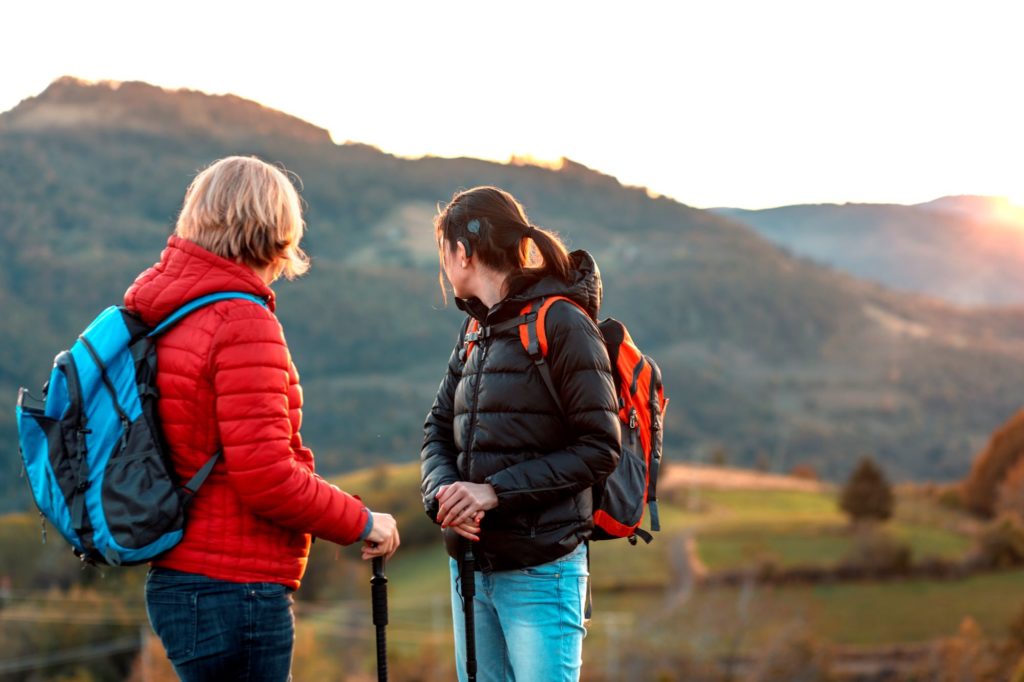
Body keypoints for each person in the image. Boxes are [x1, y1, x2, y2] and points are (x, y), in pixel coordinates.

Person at [126, 156, 400, 681]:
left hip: (180, 578)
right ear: (275, 231)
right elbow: (267, 476)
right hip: (235, 587)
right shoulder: (242, 320)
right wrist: (363, 521)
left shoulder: (168, 311)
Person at [420, 186, 621, 682]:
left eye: (444, 252)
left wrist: (493, 493)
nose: (444, 266)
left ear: (463, 253)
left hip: (541, 571)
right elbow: (437, 430)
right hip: (469, 565)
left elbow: (600, 447)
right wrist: (443, 496)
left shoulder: (564, 322)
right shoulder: (473, 332)